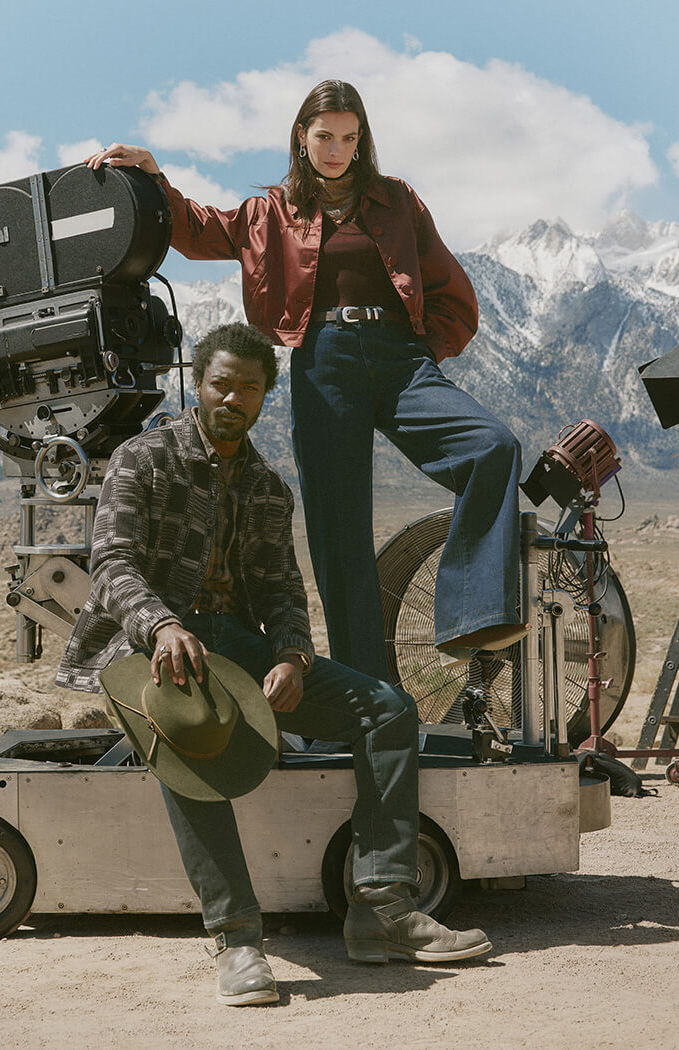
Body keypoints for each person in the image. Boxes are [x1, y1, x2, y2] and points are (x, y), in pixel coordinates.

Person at [57, 322, 491, 1007]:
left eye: (249, 387)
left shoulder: (265, 486)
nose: (233, 397)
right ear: (198, 384)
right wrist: (162, 623)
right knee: (190, 732)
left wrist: (291, 655)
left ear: (265, 397)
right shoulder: (142, 459)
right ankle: (236, 939)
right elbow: (111, 565)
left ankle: (381, 906)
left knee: (387, 711)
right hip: (144, 647)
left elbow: (282, 589)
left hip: (238, 646)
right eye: (221, 383)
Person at [85, 79, 526, 681]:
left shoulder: (398, 201)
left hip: (400, 358)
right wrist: (156, 178)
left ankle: (471, 615)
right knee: (338, 531)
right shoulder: (271, 210)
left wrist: (420, 351)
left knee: (493, 446)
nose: (337, 149)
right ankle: (374, 701)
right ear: (301, 136)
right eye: (325, 136)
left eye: (350, 137)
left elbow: (451, 289)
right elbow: (197, 231)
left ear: (362, 139)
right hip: (323, 361)